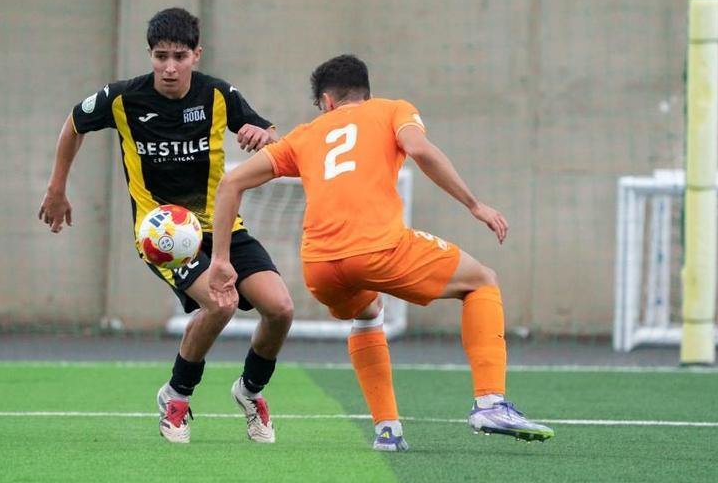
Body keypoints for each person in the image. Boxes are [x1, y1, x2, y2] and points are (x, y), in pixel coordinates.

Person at [207, 54, 554, 451]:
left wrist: (221, 260)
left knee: (369, 311)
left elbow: (231, 183)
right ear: (366, 93)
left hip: (319, 267)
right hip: (378, 250)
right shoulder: (392, 110)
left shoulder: (305, 134)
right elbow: (419, 149)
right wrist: (475, 205)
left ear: (326, 101)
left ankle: (388, 430)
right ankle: (490, 402)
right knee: (482, 282)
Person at [38, 8, 293, 444]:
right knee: (222, 304)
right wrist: (57, 188)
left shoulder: (218, 95)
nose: (170, 67)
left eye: (179, 56)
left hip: (221, 226)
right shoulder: (123, 98)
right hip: (164, 234)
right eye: (161, 57)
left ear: (197, 54)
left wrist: (263, 133)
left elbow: (268, 132)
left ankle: (250, 391)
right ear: (150, 55)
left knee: (281, 309)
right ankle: (176, 397)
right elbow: (73, 124)